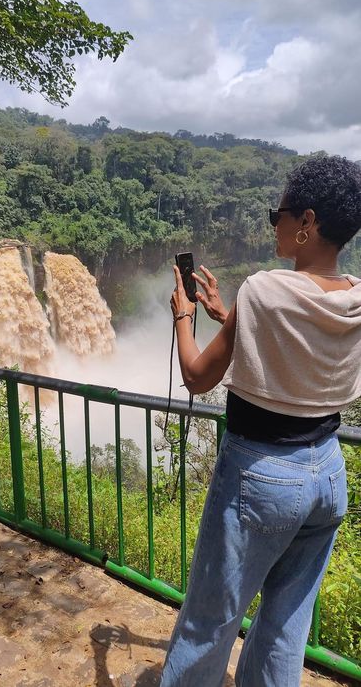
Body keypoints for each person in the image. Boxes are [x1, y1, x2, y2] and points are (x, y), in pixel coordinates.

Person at [161, 155, 361, 687]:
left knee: (209, 622)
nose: (275, 222)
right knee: (284, 627)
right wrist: (231, 317)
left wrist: (184, 315)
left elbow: (199, 377)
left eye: (280, 214)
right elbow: (299, 349)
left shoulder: (264, 290)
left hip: (261, 478)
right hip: (328, 475)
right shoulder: (356, 297)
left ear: (307, 223)